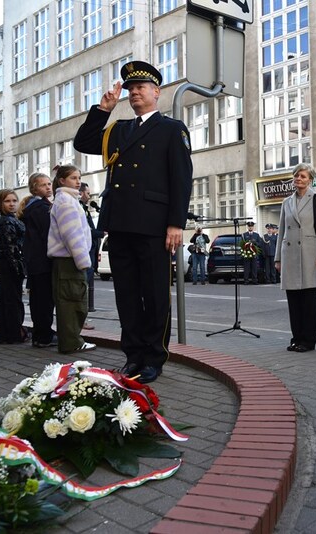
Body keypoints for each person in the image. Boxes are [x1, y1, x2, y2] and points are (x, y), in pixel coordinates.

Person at [73, 60, 192, 384]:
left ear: (157, 92)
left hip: (154, 225)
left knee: (154, 294)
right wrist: (102, 110)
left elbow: (181, 179)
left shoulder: (171, 129)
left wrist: (175, 224)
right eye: (130, 89)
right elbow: (83, 143)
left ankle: (154, 357)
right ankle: (133, 355)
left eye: (141, 87)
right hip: (121, 221)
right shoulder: (119, 129)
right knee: (126, 294)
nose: (134, 92)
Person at [274, 164, 316, 353]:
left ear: (310, 179)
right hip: (289, 254)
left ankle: (308, 341)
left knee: (309, 302)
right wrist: (277, 258)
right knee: (294, 302)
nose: (298, 179)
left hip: (309, 253)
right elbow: (281, 230)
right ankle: (296, 337)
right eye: (296, 176)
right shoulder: (286, 202)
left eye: (303, 176)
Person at [47, 165, 95, 355]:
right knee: (72, 302)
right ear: (62, 181)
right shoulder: (66, 201)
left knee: (73, 301)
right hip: (69, 260)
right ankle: (71, 342)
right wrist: (83, 261)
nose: (78, 181)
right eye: (74, 178)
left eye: (79, 177)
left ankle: (72, 340)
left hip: (68, 259)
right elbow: (72, 234)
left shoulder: (66, 199)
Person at [20, 172, 57, 348]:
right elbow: (48, 234)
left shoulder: (32, 207)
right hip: (42, 260)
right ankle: (44, 336)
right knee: (44, 300)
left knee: (39, 299)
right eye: (44, 185)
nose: (48, 187)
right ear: (34, 187)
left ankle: (40, 333)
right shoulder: (41, 208)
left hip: (35, 260)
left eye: (50, 184)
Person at [0, 189, 28, 344]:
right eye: (7, 201)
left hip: (6, 263)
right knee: (12, 300)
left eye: (14, 200)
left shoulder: (7, 220)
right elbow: (9, 247)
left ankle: (8, 333)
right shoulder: (7, 221)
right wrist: (17, 267)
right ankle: (14, 334)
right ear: (0, 203)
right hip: (9, 264)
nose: (12, 204)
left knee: (7, 299)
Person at [80, 182, 105, 313]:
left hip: (90, 249)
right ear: (81, 193)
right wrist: (103, 233)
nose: (89, 197)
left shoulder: (84, 208)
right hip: (86, 250)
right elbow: (86, 231)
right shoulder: (79, 208)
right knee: (82, 285)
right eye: (88, 193)